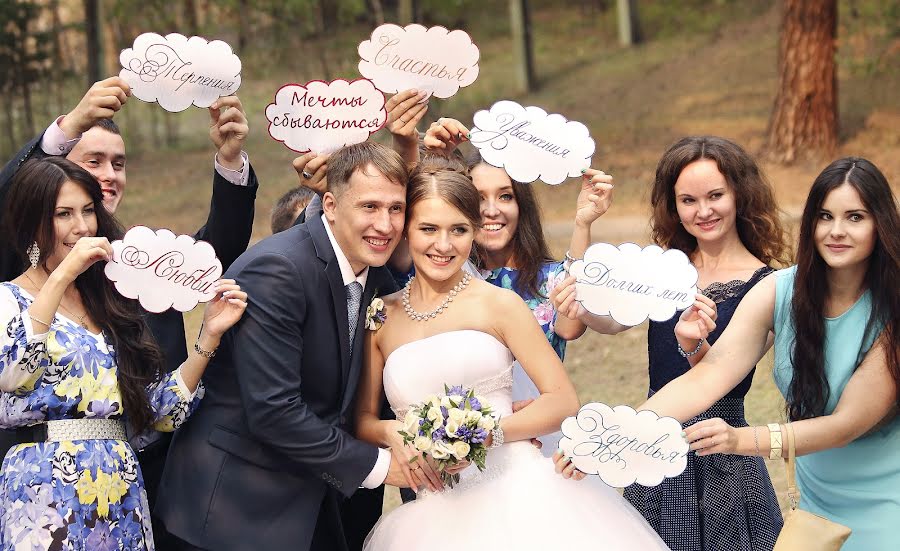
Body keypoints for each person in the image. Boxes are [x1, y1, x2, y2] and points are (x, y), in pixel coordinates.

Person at [356, 166, 671, 550]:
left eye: (458, 229)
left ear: (474, 232)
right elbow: (363, 420)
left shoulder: (500, 305)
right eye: (428, 229)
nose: (443, 244)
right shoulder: (381, 317)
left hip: (520, 494)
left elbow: (562, 401)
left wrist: (485, 434)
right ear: (407, 229)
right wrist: (396, 434)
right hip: (434, 512)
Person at [0, 76, 258, 539]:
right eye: (92, 161)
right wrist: (67, 127)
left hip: (133, 486)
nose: (107, 176)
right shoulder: (13, 286)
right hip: (41, 497)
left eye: (118, 164)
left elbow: (212, 255)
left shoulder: (128, 265)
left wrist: (207, 339)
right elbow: (14, 371)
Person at [155, 142, 422, 551]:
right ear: (330, 205)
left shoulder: (377, 279)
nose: (385, 225)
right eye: (369, 207)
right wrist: (383, 466)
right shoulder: (278, 269)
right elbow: (274, 411)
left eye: (396, 209)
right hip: (231, 508)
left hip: (307, 502)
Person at [551, 136, 788, 550]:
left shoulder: (767, 286)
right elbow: (606, 321)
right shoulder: (664, 271)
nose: (704, 211)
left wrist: (693, 347)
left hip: (721, 452)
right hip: (649, 448)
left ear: (740, 194)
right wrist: (582, 236)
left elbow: (719, 376)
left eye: (716, 195)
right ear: (673, 206)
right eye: (689, 200)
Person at [420, 117, 612, 454]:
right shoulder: (445, 277)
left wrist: (583, 223)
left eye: (505, 196)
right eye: (479, 198)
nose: (492, 211)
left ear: (521, 206)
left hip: (536, 442)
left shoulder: (549, 280)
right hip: (457, 442)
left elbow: (569, 326)